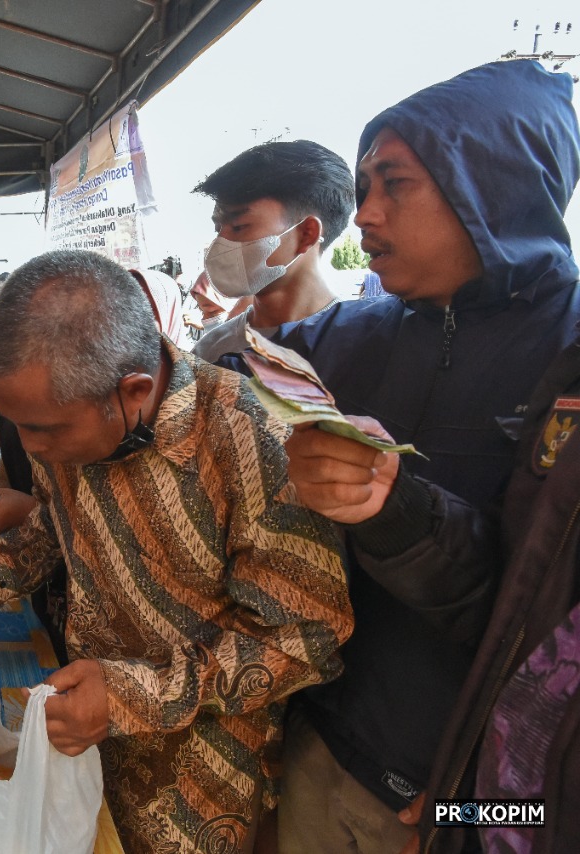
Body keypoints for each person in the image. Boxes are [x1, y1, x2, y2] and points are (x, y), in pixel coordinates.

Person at [0, 249, 352, 853]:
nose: (30, 449)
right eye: (16, 425)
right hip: (86, 745)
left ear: (134, 392)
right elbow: (55, 522)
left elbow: (304, 636)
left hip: (197, 784)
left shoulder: (250, 437)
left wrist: (130, 697)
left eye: (45, 430)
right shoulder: (71, 419)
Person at [270, 59, 580, 853]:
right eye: (363, 181)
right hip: (317, 749)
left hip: (461, 805)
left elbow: (538, 621)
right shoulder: (338, 342)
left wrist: (484, 816)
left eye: (394, 184)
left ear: (493, 185)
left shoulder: (569, 363)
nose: (363, 213)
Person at [192, 140, 354, 364]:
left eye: (239, 226)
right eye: (218, 229)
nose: (220, 243)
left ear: (306, 234)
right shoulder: (210, 353)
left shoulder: (359, 346)